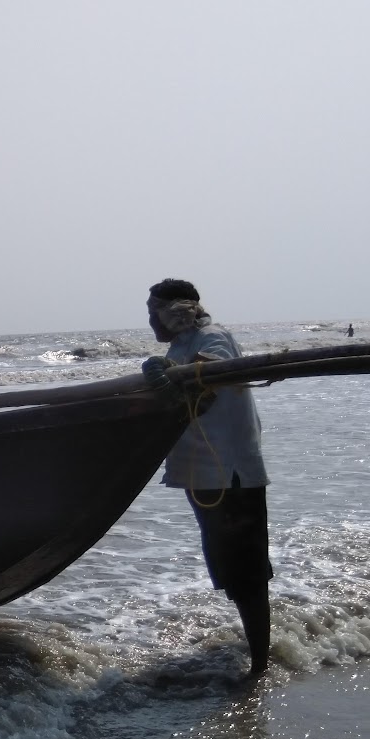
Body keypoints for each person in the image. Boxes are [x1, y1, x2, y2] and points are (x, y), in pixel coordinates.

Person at [142, 279, 273, 675]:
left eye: (153, 313)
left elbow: (207, 388)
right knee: (229, 567)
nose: (151, 322)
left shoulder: (213, 337)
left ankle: (260, 667)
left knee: (247, 572)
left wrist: (169, 379)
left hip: (230, 473)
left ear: (172, 313)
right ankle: (255, 652)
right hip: (202, 473)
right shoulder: (178, 348)